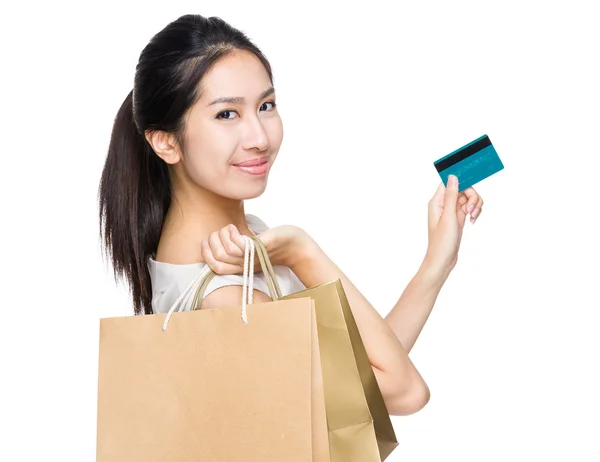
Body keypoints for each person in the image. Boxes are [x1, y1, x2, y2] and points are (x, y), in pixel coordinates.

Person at [98, 14, 484, 417]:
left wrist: (437, 263)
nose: (260, 138)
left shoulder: (245, 244)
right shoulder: (226, 300)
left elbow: (364, 371)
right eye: (226, 114)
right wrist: (301, 251)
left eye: (265, 106)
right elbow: (404, 391)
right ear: (166, 142)